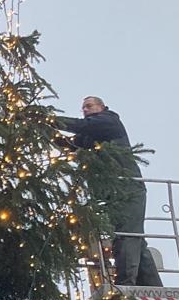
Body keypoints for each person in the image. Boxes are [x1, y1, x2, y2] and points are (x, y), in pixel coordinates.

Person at [56, 96, 162, 286]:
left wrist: (47, 118)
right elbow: (71, 144)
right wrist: (46, 131)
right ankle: (154, 288)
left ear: (102, 107)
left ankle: (126, 285)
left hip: (127, 188)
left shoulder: (109, 121)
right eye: (83, 108)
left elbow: (82, 126)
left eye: (89, 106)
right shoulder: (92, 136)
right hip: (112, 192)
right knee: (135, 238)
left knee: (127, 236)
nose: (85, 110)